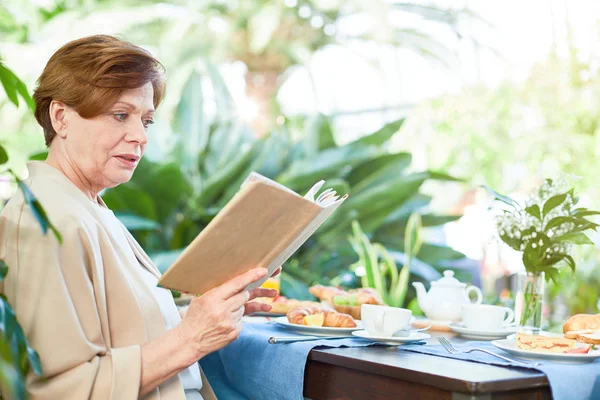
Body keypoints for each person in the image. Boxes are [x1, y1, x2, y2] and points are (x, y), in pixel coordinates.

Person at [0, 35, 279, 399]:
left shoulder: (87, 208)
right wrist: (190, 338)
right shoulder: (42, 226)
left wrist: (208, 312)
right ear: (60, 117)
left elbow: (124, 335)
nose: (139, 136)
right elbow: (55, 391)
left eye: (146, 120)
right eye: (120, 115)